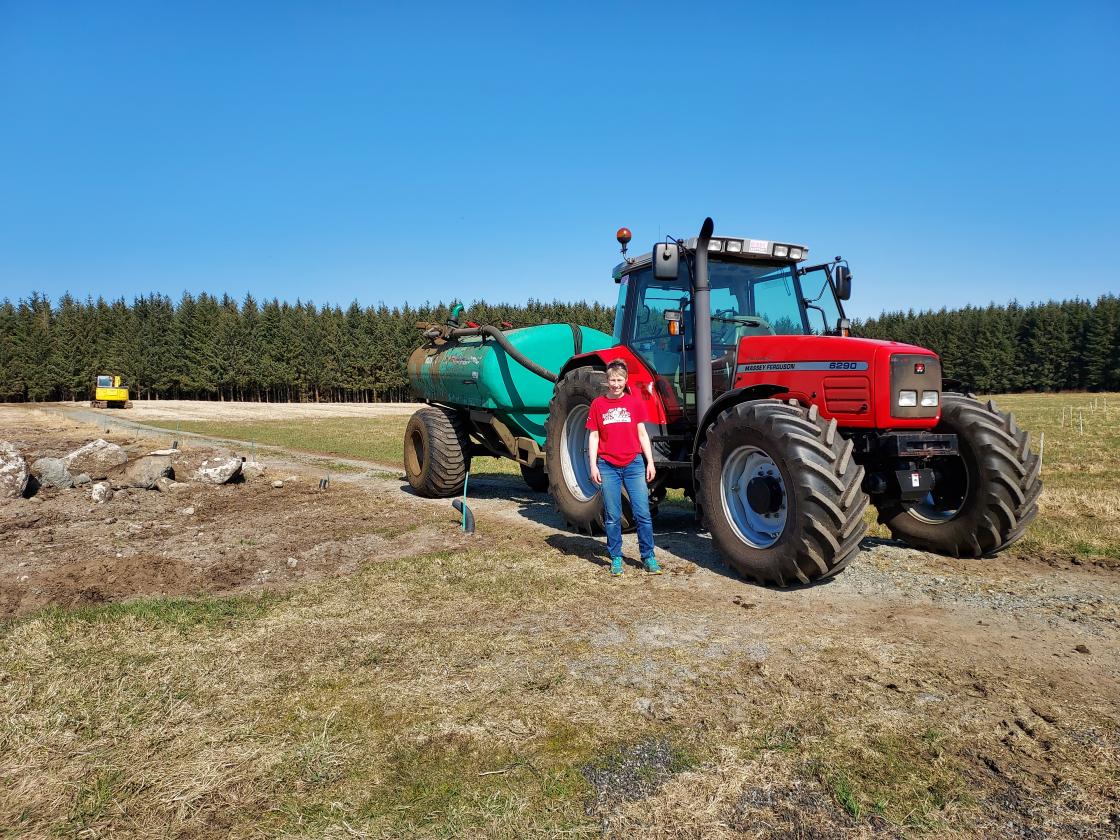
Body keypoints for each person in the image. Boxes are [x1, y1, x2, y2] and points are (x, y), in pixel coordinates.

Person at [586, 358, 661, 576]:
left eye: (619, 380)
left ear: (625, 380)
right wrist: (593, 465)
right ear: (607, 381)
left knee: (643, 513)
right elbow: (593, 437)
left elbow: (642, 434)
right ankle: (616, 557)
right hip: (607, 465)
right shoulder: (598, 405)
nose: (615, 384)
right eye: (612, 380)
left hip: (634, 464)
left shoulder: (634, 403)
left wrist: (650, 461)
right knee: (612, 514)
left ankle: (648, 557)